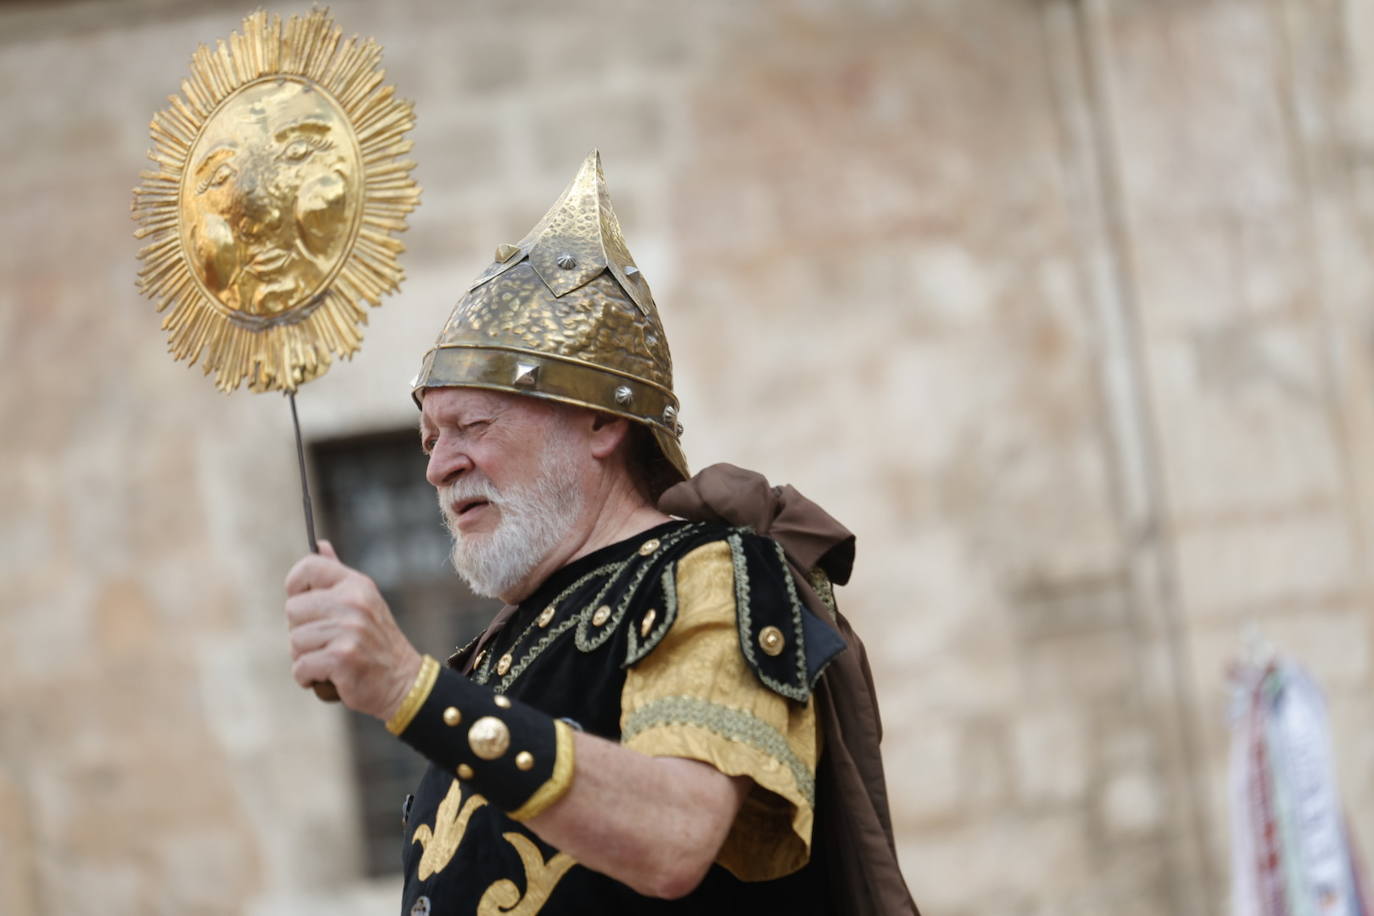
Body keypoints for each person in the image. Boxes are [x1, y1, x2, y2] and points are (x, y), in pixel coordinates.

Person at [283, 152, 918, 915]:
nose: (440, 468)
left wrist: (405, 688)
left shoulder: (707, 574)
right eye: (428, 440)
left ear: (602, 420)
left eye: (471, 426)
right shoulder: (501, 652)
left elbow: (678, 834)